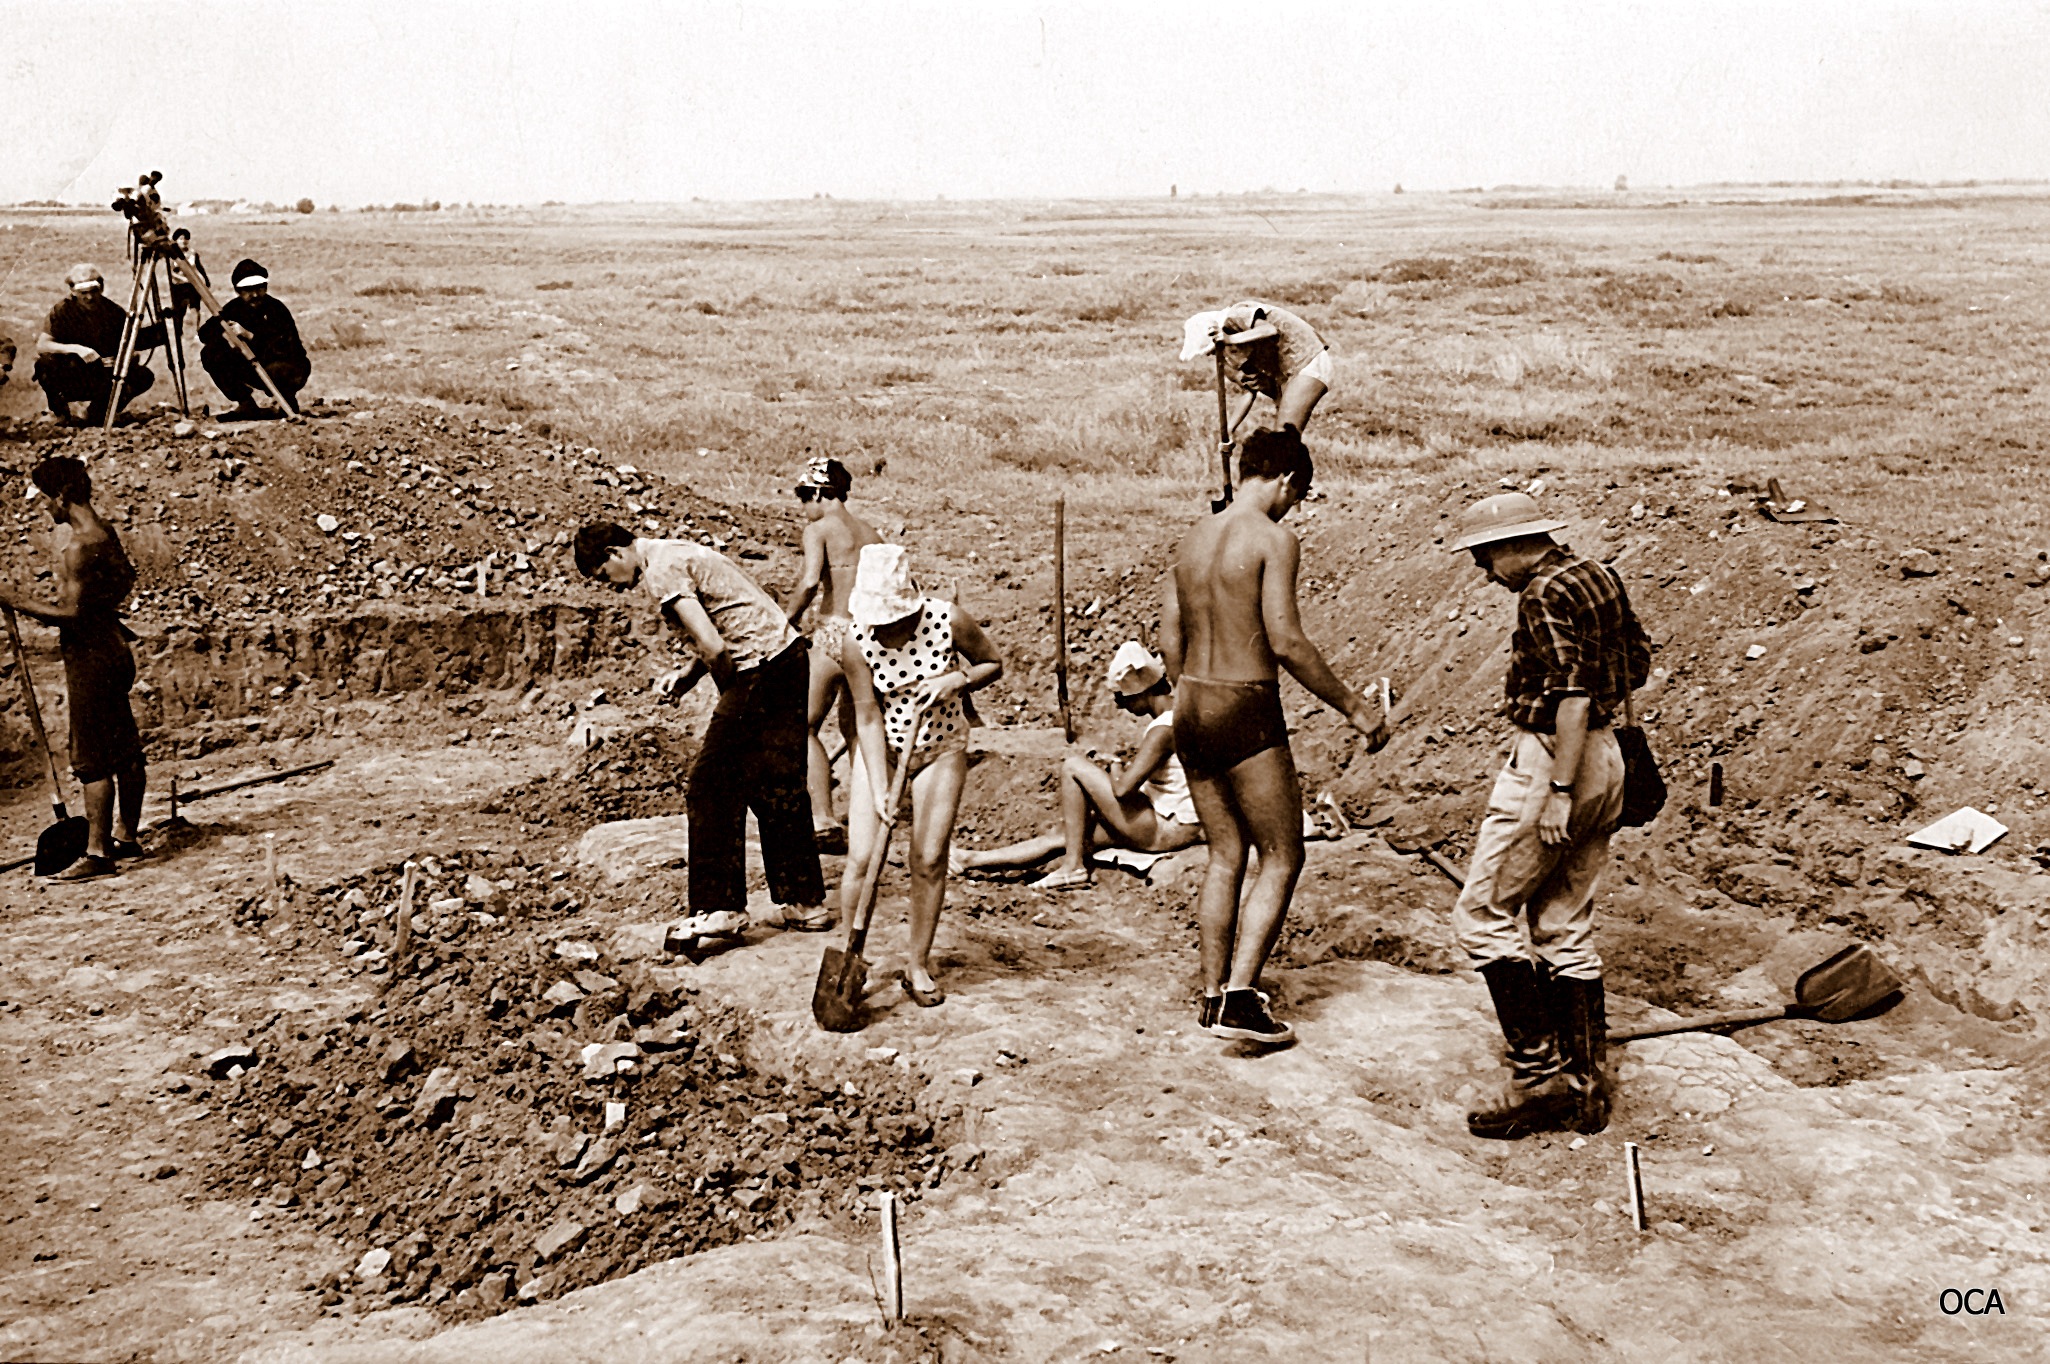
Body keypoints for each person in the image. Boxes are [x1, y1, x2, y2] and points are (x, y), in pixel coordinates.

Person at [1162, 427, 1389, 1045]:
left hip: (1191, 704)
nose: (1293, 508)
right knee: (1283, 855)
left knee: (1223, 855)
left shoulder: (1193, 537)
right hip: (1244, 704)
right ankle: (1241, 1001)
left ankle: (1212, 993)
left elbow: (1170, 640)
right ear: (1287, 480)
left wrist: (1193, 692)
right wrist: (1355, 708)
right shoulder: (1273, 539)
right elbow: (1285, 639)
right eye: (1298, 496)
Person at [1446, 491, 1651, 1139]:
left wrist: (1560, 788)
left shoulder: (1540, 593)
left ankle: (1539, 1079)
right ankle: (1586, 1085)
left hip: (1555, 760)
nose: (1484, 571)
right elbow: (1636, 662)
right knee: (1563, 921)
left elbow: (1572, 693)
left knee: (1482, 917)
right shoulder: (1597, 574)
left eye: (1485, 556)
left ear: (1513, 544)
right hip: (1608, 752)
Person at [574, 521, 834, 935]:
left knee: (710, 785)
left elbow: (714, 646)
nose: (613, 587)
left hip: (758, 669)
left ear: (614, 553)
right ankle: (806, 903)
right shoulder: (675, 550)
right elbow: (722, 622)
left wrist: (733, 693)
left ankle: (720, 906)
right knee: (777, 782)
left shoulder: (660, 570)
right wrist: (689, 676)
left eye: (605, 576)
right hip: (787, 657)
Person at [839, 544, 1003, 1007]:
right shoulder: (856, 640)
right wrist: (879, 788)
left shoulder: (948, 620)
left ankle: (917, 964)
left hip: (941, 746)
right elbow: (867, 717)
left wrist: (957, 680)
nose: (886, 628)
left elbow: (993, 663)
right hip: (883, 749)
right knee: (863, 856)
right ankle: (853, 960)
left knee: (928, 858)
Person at [953, 640, 1201, 889]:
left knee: (1073, 766)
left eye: (1121, 697)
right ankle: (969, 860)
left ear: (1139, 693)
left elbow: (1123, 789)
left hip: (1165, 829)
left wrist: (1115, 766)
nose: (1121, 705)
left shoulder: (1162, 729)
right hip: (1173, 823)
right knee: (1066, 836)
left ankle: (1073, 866)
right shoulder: (1183, 713)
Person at [2, 457, 148, 881]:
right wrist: (100, 607)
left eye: (46, 499)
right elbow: (126, 579)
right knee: (123, 745)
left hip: (89, 655)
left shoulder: (79, 547)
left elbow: (71, 613)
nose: (46, 507)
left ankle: (98, 854)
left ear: (63, 496)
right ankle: (126, 836)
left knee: (91, 756)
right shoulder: (106, 533)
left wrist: (14, 600)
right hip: (115, 646)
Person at [779, 455, 882, 853]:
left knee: (800, 724)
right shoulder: (872, 533)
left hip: (835, 633)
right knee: (859, 728)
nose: (803, 506)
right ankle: (868, 818)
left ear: (821, 493)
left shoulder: (819, 529)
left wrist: (785, 620)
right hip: (870, 637)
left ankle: (822, 818)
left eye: (804, 497)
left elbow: (810, 582)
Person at [1180, 299, 1333, 442]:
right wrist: (1229, 430)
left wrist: (1230, 339)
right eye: (1211, 352)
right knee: (1283, 441)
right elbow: (1248, 390)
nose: (1215, 355)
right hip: (1289, 373)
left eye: (1213, 350)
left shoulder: (1236, 315)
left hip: (1308, 360)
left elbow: (1269, 330)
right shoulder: (1237, 352)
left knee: (1284, 438)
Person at [32, 264, 154, 425]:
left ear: (101, 288)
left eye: (94, 291)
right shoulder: (62, 310)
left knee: (143, 375)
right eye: (84, 293)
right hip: (72, 372)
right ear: (73, 291)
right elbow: (43, 345)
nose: (89, 297)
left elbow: (131, 349)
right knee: (44, 364)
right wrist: (77, 350)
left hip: (103, 375)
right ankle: (60, 414)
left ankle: (98, 414)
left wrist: (123, 359)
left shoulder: (114, 312)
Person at [199, 257, 308, 419]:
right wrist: (224, 334)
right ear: (238, 291)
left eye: (259, 288)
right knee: (211, 353)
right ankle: (246, 404)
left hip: (286, 365)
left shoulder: (276, 309)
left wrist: (249, 335)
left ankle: (287, 402)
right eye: (248, 290)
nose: (255, 294)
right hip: (251, 366)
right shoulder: (234, 308)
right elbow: (205, 333)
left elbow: (285, 348)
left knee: (280, 370)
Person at [166, 229, 211, 338]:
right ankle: (178, 333)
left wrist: (206, 279)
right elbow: (171, 273)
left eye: (186, 239)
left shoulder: (193, 254)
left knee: (195, 308)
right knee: (179, 311)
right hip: (178, 286)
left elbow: (199, 267)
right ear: (176, 241)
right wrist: (182, 278)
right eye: (181, 239)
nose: (184, 241)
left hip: (192, 285)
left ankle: (197, 331)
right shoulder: (172, 256)